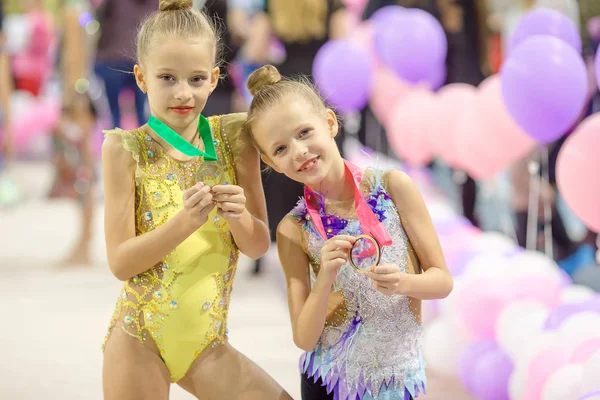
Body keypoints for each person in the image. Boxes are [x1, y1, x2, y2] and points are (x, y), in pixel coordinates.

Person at [101, 2, 290, 399]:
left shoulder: (234, 138)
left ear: (214, 78)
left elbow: (257, 245)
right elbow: (120, 262)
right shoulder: (125, 149)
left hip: (207, 344)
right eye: (167, 78)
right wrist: (183, 223)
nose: (183, 92)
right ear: (141, 78)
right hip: (139, 337)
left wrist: (240, 218)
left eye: (196, 78)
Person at [244, 65, 453, 400]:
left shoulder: (393, 187)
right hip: (330, 386)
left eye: (304, 133)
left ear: (329, 123)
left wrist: (403, 283)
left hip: (398, 385)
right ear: (271, 163)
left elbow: (442, 281)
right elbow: (304, 337)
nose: (298, 151)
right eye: (281, 149)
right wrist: (325, 278)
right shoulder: (292, 229)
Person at [48, 96, 97, 266]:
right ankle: (83, 245)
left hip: (84, 162)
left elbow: (84, 131)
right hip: (82, 159)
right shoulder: (75, 95)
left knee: (86, 202)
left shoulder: (79, 97)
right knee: (84, 203)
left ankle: (84, 245)